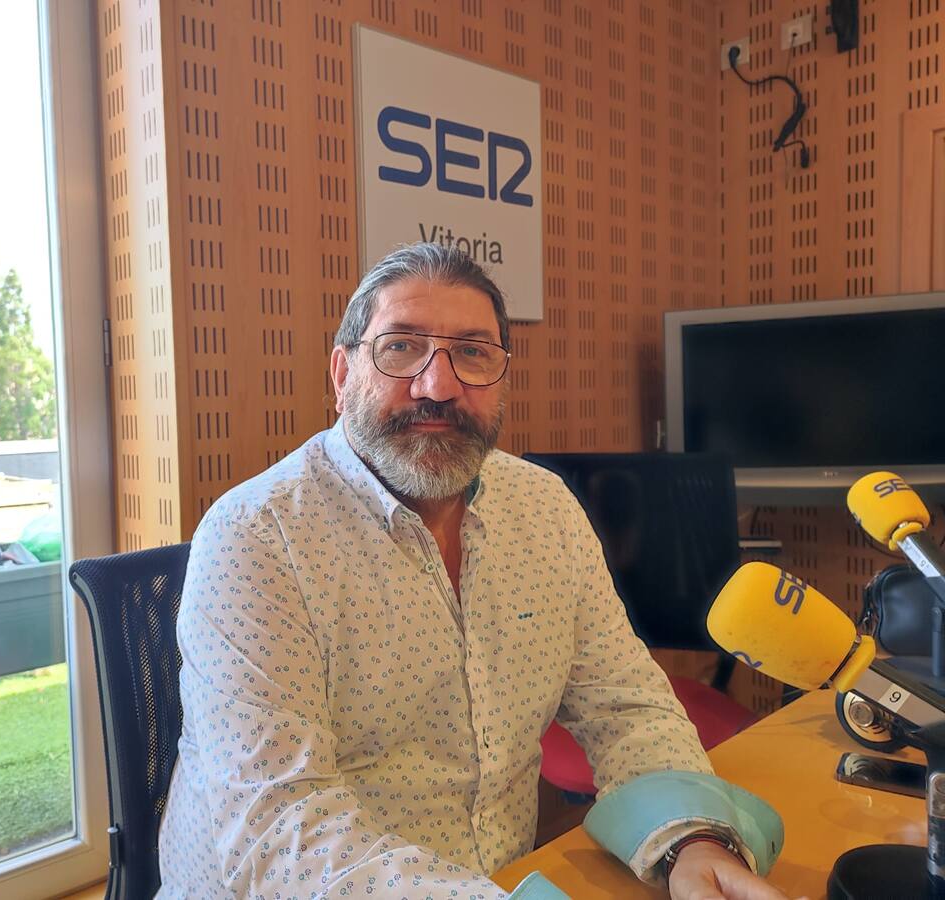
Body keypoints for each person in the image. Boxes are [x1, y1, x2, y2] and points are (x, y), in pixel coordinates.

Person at [158, 243, 789, 899]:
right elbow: (281, 828)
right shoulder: (258, 537)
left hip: (502, 880)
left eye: (473, 353)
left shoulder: (544, 508)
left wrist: (691, 840)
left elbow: (624, 702)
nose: (438, 386)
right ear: (342, 375)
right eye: (401, 347)